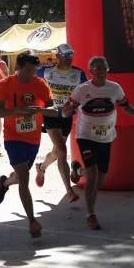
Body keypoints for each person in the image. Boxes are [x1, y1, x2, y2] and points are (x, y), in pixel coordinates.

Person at [64, 56, 134, 230]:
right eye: (96, 69)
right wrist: (66, 111)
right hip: (85, 136)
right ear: (91, 71)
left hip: (106, 137)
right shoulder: (82, 89)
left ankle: (78, 170)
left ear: (107, 70)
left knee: (100, 180)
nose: (100, 72)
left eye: (103, 68)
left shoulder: (114, 88)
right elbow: (67, 109)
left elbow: (125, 106)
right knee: (93, 175)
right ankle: (90, 215)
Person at [0, 52, 55, 239]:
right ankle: (32, 221)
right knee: (25, 177)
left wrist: (41, 110)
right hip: (13, 138)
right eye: (28, 70)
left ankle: (5, 183)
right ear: (18, 67)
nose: (31, 75)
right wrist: (19, 110)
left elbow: (54, 110)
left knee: (20, 177)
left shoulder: (40, 84)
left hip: (33, 139)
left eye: (34, 71)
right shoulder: (6, 85)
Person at [35, 43, 86, 202]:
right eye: (65, 56)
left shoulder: (78, 74)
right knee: (63, 151)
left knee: (57, 152)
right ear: (57, 56)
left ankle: (42, 167)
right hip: (51, 114)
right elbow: (27, 80)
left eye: (71, 56)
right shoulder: (46, 71)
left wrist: (78, 106)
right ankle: (69, 191)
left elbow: (86, 92)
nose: (69, 59)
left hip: (67, 116)